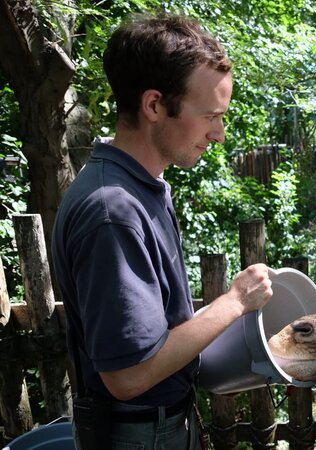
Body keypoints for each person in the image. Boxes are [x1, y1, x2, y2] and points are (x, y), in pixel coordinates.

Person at [51, 13, 273, 450]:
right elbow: (128, 376)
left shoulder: (143, 185)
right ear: (154, 105)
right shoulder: (111, 210)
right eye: (211, 115)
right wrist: (234, 303)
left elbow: (155, 328)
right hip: (139, 435)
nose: (220, 134)